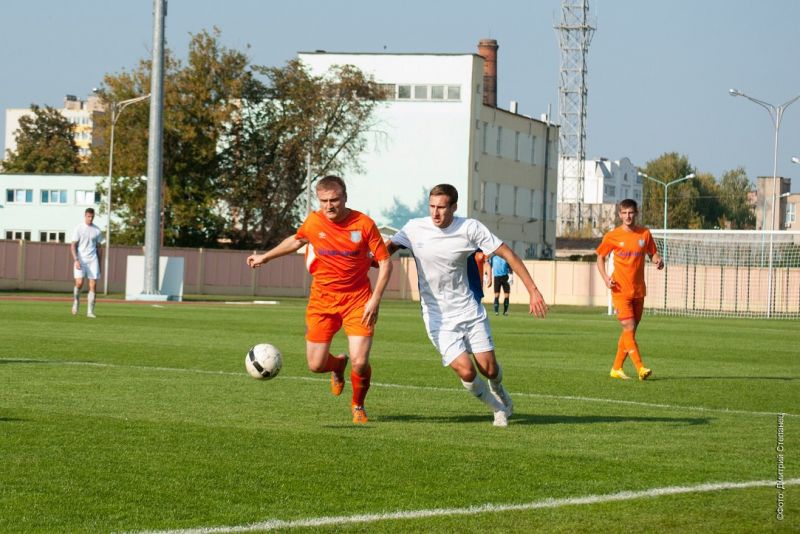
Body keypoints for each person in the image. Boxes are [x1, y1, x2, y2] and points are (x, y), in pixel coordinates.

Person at [387, 184, 548, 427]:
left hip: (468, 310)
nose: (435, 213)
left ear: (454, 207)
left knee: (489, 369)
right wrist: (365, 261)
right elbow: (385, 250)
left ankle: (499, 389)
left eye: (442, 207)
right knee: (466, 371)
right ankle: (498, 408)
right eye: (432, 206)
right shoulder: (413, 228)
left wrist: (533, 291)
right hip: (437, 317)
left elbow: (508, 255)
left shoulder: (469, 228)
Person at [246, 175, 392, 424]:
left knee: (360, 362)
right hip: (322, 300)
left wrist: (375, 299)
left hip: (358, 300)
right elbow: (296, 240)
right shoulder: (314, 222)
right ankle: (337, 365)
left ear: (345, 198)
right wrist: (265, 257)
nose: (329, 206)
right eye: (324, 201)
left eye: (334, 200)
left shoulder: (364, 224)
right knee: (315, 365)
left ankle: (358, 405)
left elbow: (386, 262)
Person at [595, 198, 664, 381]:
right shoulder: (612, 236)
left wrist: (657, 260)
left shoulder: (644, 234)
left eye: (631, 212)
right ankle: (640, 368)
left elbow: (652, 253)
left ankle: (616, 368)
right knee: (629, 327)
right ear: (619, 215)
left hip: (639, 290)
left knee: (629, 332)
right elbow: (600, 257)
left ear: (636, 213)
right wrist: (605, 278)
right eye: (624, 213)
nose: (628, 216)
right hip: (620, 290)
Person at [71, 207, 103, 318]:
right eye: (88, 216)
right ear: (85, 216)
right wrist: (76, 260)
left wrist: (100, 264)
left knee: (93, 285)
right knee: (79, 283)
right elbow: (73, 245)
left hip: (93, 260)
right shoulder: (79, 228)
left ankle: (90, 312)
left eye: (92, 217)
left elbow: (99, 248)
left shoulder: (97, 230)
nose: (90, 219)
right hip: (81, 259)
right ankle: (76, 301)